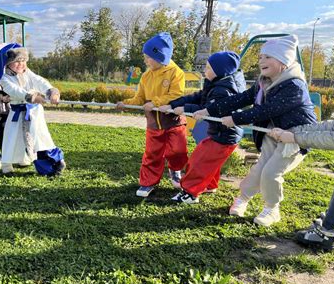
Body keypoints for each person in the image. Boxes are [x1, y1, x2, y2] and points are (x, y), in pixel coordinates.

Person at [195, 35, 317, 226]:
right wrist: (209, 110)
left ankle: (272, 209)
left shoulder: (295, 85)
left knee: (271, 173)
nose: (262, 60)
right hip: (273, 133)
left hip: (295, 137)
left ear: (284, 61)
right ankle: (243, 198)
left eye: (268, 57)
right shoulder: (263, 82)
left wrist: (234, 119)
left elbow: (266, 110)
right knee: (259, 170)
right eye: (260, 57)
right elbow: (241, 98)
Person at [269, 80, 334, 251]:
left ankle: (327, 234)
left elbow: (328, 140)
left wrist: (294, 139)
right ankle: (331, 221)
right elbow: (325, 128)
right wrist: (293, 131)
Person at [159, 51, 246, 203]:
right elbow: (198, 97)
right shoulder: (216, 83)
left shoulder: (223, 90)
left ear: (220, 71)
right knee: (210, 161)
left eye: (208, 68)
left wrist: (185, 109)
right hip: (221, 133)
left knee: (199, 161)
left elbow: (208, 109)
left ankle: (190, 193)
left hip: (225, 135)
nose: (204, 71)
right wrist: (174, 104)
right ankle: (210, 185)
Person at [117, 32, 188, 197]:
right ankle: (148, 183)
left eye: (148, 57)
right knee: (152, 154)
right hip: (154, 124)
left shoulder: (176, 73)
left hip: (174, 122)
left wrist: (155, 103)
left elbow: (176, 95)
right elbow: (139, 98)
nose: (145, 60)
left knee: (178, 151)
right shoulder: (146, 76)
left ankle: (175, 169)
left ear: (160, 57)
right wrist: (125, 104)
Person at [0, 44, 66, 176]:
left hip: (34, 112)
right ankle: (7, 164)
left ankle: (52, 163)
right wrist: (30, 96)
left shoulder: (28, 73)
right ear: (8, 63)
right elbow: (13, 90)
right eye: (17, 61)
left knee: (40, 136)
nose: (21, 64)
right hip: (17, 112)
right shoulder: (4, 77)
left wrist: (51, 91)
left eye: (23, 61)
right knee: (12, 137)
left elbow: (39, 81)